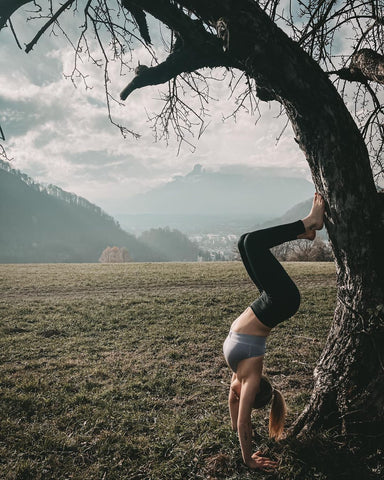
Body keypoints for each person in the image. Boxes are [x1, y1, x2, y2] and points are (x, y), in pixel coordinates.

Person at [223, 193, 325, 471]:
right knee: (255, 244)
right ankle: (310, 222)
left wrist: (237, 432)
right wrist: (248, 459)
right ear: (250, 394)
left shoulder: (237, 377)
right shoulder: (249, 378)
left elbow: (236, 421)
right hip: (280, 301)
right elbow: (244, 420)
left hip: (267, 301)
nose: (232, 396)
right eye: (239, 397)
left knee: (245, 241)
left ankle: (306, 232)